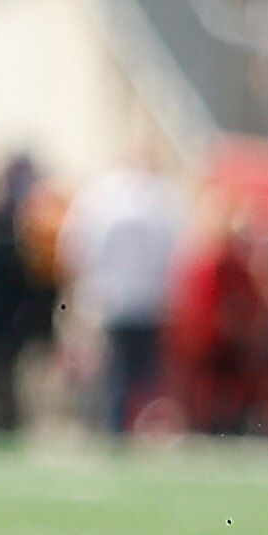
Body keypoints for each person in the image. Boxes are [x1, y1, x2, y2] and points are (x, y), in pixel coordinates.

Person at [64, 156, 180, 439]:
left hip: (112, 300)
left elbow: (76, 245)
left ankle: (117, 429)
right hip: (147, 301)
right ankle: (138, 429)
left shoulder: (100, 198)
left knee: (116, 374)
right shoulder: (159, 201)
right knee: (141, 374)